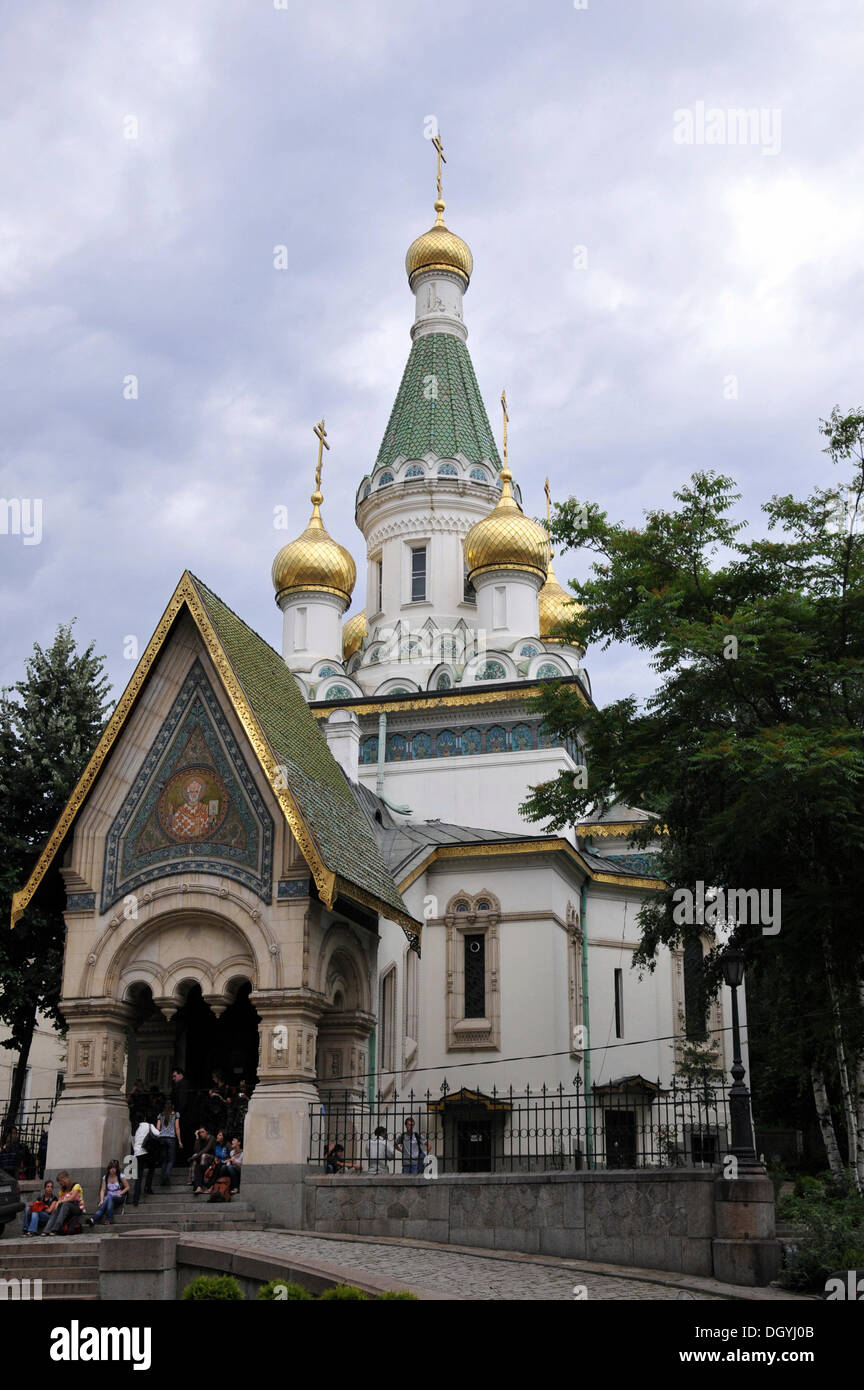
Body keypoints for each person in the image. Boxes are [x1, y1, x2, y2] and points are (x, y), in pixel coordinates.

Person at [88, 1159, 130, 1226]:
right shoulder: (105, 1177)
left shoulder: (120, 1176)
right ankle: (93, 1219)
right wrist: (101, 1200)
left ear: (117, 1168)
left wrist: (120, 1193)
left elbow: (127, 1187)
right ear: (109, 1168)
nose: (113, 1169)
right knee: (107, 1200)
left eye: (114, 1167)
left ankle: (106, 1218)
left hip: (119, 1197)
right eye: (111, 1168)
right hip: (109, 1198)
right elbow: (102, 1190)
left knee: (109, 1198)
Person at [131, 1115, 160, 1205]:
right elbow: (158, 1134)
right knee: (152, 1168)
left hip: (137, 1153)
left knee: (138, 1177)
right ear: (145, 1119)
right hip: (146, 1152)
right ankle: (148, 1187)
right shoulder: (149, 1125)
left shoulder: (136, 1128)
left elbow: (133, 1141)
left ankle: (136, 1198)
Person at [155, 1101, 182, 1185]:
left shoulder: (160, 1115)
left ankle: (163, 1180)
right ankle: (166, 1175)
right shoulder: (176, 1114)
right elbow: (177, 1128)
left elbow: (158, 1128)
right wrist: (180, 1141)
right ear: (172, 1106)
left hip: (162, 1138)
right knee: (171, 1160)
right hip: (171, 1139)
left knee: (164, 1161)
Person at [189, 1128, 216, 1194]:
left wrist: (194, 1157)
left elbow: (206, 1149)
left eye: (203, 1132)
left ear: (207, 1132)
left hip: (212, 1157)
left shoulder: (211, 1138)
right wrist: (197, 1137)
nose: (201, 1134)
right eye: (200, 1133)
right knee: (195, 1155)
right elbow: (196, 1150)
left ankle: (204, 1178)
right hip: (201, 1156)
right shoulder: (200, 1139)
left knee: (203, 1156)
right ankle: (193, 1179)